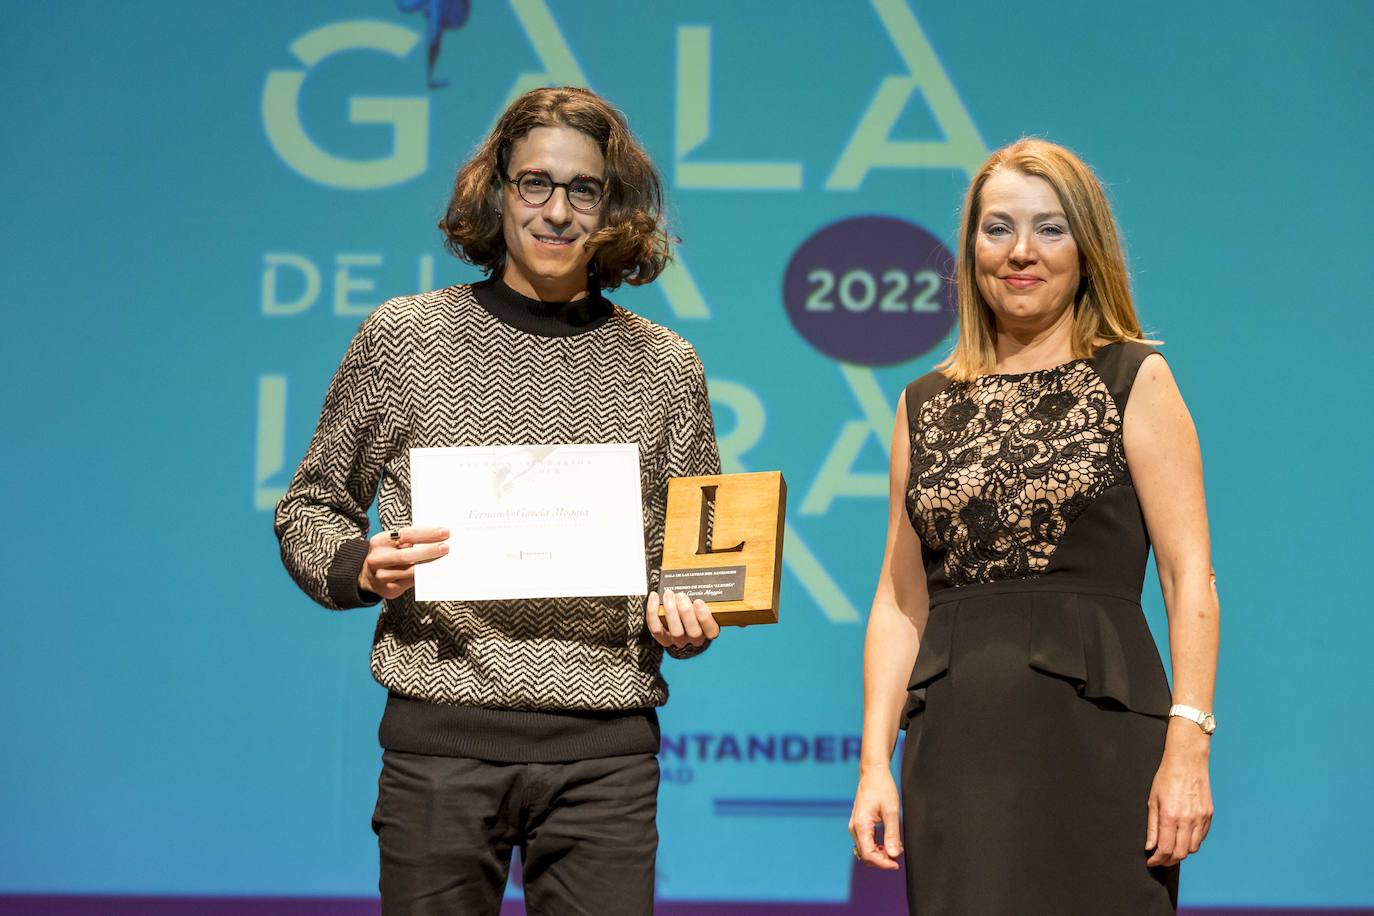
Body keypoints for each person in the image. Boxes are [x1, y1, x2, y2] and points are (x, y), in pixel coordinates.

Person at [274, 86, 723, 916]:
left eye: (582, 190)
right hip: (440, 735)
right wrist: (360, 565)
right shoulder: (407, 337)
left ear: (613, 207)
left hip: (604, 756)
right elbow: (310, 505)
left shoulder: (666, 366)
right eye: (535, 185)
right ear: (498, 191)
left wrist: (688, 613)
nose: (557, 211)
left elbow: (690, 569)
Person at [848, 138, 1219, 914]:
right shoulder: (922, 401)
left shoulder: (1134, 377)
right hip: (955, 744)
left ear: (1087, 249)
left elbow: (1191, 576)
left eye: (1050, 229)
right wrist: (873, 766)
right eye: (998, 229)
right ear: (971, 249)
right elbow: (898, 601)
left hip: (1099, 741)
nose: (1021, 252)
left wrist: (1189, 743)